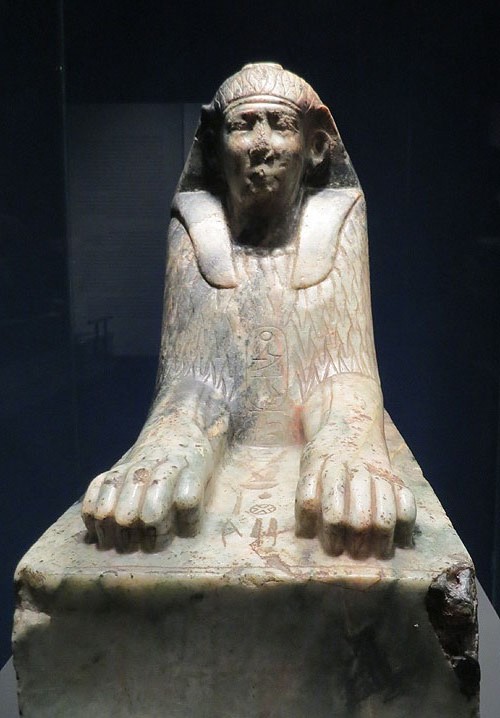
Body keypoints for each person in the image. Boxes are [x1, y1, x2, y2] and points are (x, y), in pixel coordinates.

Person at [82, 62, 416, 558]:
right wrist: (171, 439)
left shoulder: (337, 220)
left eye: (280, 125)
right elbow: (194, 380)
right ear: (215, 149)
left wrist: (346, 445)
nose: (262, 144)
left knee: (354, 483)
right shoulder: (196, 228)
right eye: (243, 125)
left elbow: (342, 373)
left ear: (316, 145)